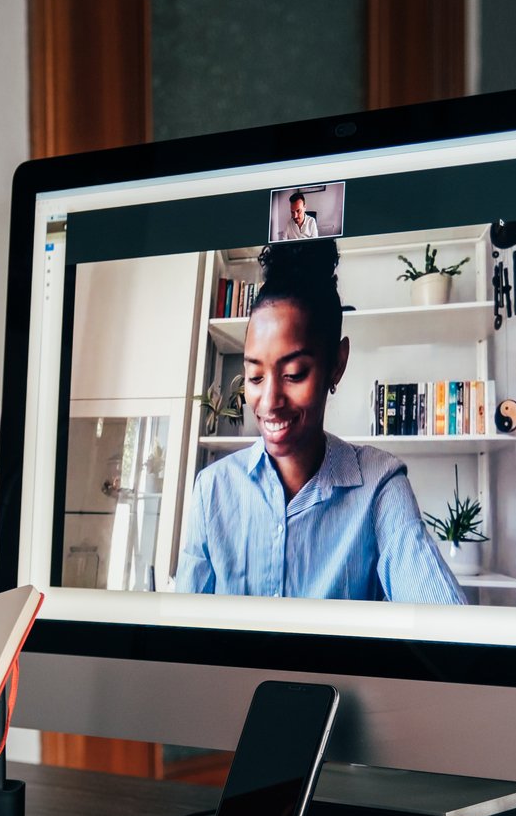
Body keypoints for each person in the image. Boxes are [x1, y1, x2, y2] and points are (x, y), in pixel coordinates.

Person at [175, 240, 466, 604]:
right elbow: (179, 636)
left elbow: (445, 624)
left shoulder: (379, 486)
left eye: (294, 374)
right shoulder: (212, 491)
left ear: (337, 363)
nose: (269, 403)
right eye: (254, 377)